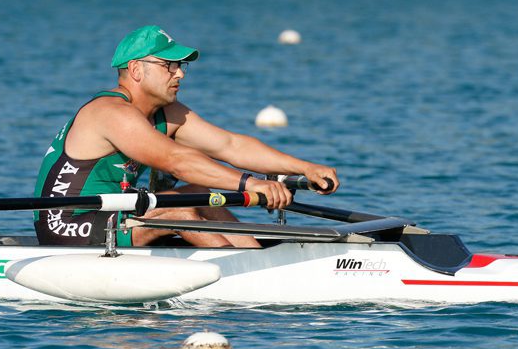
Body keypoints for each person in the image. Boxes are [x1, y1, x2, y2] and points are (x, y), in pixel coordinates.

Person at [34, 25, 339, 248]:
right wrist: (254, 184)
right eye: (169, 65)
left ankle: (253, 257)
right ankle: (236, 271)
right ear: (136, 69)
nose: (180, 74)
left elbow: (231, 145)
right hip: (69, 223)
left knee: (200, 191)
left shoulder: (167, 113)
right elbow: (177, 161)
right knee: (180, 209)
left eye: (180, 65)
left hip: (117, 210)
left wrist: (304, 167)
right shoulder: (111, 112)